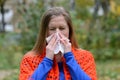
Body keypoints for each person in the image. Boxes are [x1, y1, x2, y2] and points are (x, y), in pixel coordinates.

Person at [19, 7, 97, 80]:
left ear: (69, 30)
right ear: (45, 32)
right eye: (52, 29)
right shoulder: (29, 59)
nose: (57, 33)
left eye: (62, 28)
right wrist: (47, 60)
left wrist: (69, 57)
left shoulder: (85, 57)